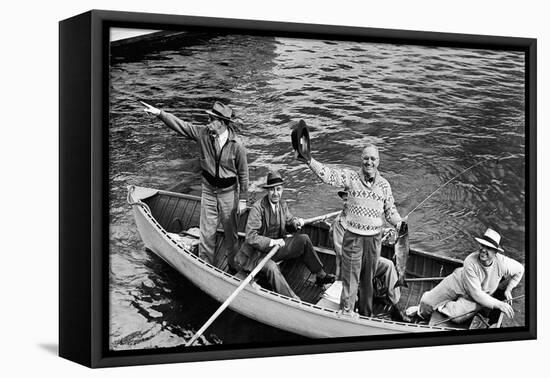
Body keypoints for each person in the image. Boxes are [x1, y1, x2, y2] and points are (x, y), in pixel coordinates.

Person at [142, 100, 248, 271]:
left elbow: (243, 174)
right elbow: (181, 126)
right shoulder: (203, 134)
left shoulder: (238, 145)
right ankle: (206, 268)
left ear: (221, 124)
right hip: (208, 191)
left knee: (231, 235)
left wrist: (243, 200)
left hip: (229, 193)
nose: (208, 122)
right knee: (207, 233)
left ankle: (234, 268)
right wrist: (160, 113)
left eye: (211, 119)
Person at [303, 144, 403, 317]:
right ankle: (346, 312)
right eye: (366, 158)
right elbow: (329, 175)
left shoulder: (385, 186)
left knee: (367, 281)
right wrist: (309, 160)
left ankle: (366, 315)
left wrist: (400, 224)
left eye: (373, 159)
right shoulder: (351, 178)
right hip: (353, 238)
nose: (369, 162)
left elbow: (390, 211)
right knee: (350, 279)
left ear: (378, 161)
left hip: (373, 240)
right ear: (361, 159)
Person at [234, 170, 335, 299]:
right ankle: (292, 299)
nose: (275, 193)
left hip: (276, 249)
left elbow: (289, 221)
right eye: (272, 190)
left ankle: (321, 276)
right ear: (268, 191)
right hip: (257, 255)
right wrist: (273, 242)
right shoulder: (257, 208)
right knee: (272, 268)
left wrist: (295, 223)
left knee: (304, 239)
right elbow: (251, 237)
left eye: (278, 189)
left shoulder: (282, 204)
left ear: (282, 190)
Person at [416, 228, 524, 323]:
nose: (483, 250)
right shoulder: (470, 261)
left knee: (456, 317)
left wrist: (509, 289)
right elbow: (476, 293)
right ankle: (424, 312)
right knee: (426, 303)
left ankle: (443, 306)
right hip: (459, 281)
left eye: (489, 248)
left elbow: (520, 270)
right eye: (483, 245)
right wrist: (499, 304)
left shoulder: (504, 263)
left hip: (478, 295)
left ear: (496, 252)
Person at [330, 190, 407, 321]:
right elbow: (342, 253)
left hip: (367, 260)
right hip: (351, 264)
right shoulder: (339, 224)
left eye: (350, 199)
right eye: (345, 200)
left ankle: (396, 306)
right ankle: (352, 310)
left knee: (388, 266)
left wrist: (383, 232)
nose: (347, 202)